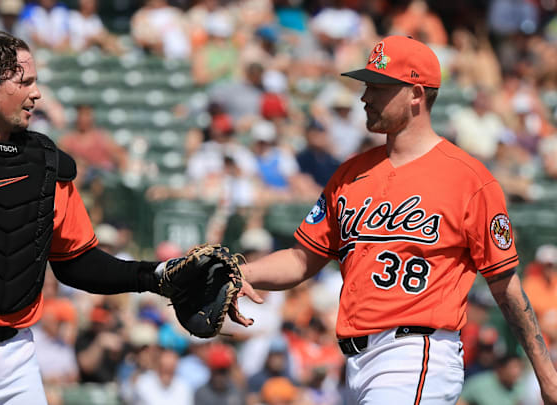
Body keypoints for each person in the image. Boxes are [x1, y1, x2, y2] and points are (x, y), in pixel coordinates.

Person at [0, 30, 255, 405]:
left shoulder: (46, 164)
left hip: (16, 358)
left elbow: (77, 261)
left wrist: (155, 275)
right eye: (24, 82)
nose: (36, 94)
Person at [234, 35, 557, 404]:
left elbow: (505, 286)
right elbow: (301, 259)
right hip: (354, 364)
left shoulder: (469, 180)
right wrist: (243, 272)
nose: (365, 97)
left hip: (415, 356)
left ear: (416, 94)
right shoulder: (350, 174)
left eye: (378, 86)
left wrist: (547, 378)